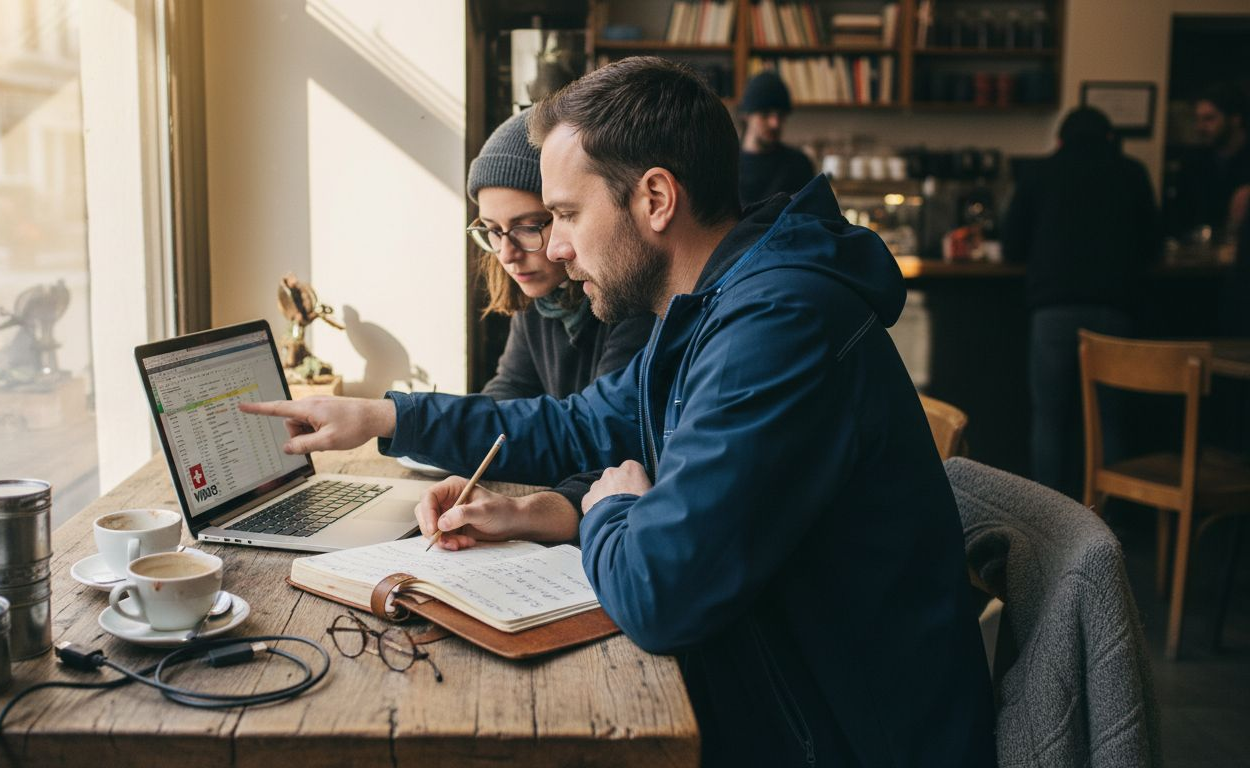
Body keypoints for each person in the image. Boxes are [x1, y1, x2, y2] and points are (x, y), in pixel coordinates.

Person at [242, 57, 995, 766]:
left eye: (566, 213)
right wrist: (407, 427)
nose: (557, 247)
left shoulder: (777, 328)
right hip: (780, 688)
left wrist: (608, 513)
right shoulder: (716, 309)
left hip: (837, 738)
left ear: (656, 199)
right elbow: (580, 424)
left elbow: (659, 595)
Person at [1003, 106, 1159, 498]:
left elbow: (1011, 247)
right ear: (1110, 138)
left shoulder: (1038, 173)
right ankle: (1107, 519)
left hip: (1053, 308)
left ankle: (1049, 518)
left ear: (1060, 141)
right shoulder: (1132, 173)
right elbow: (1153, 245)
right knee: (1109, 419)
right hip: (1115, 308)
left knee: (1049, 418)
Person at [469, 110, 653, 401]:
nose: (507, 254)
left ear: (567, 214)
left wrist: (411, 418)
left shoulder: (630, 297)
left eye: (528, 227)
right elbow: (512, 387)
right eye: (492, 230)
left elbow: (594, 425)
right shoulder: (543, 294)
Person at [1168, 83, 1250, 241]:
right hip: (1201, 253)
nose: (1200, 127)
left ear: (1235, 119)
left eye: (1209, 119)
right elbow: (1179, 215)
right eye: (1197, 119)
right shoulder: (1193, 162)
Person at [737, 70, 815, 207]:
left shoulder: (799, 165)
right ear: (746, 115)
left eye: (781, 115)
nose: (775, 123)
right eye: (765, 114)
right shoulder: (725, 163)